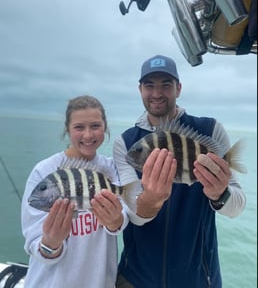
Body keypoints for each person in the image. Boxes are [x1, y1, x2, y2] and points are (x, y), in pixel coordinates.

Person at [114, 55, 246, 288]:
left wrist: (220, 194)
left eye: (166, 84)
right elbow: (130, 214)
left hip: (198, 279)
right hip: (136, 279)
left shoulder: (210, 130)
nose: (157, 93)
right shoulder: (126, 143)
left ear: (179, 88)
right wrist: (151, 201)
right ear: (140, 89)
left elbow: (237, 206)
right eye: (149, 85)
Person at [21, 95, 131, 288]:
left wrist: (115, 221)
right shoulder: (44, 171)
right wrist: (51, 242)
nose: (88, 135)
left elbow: (123, 216)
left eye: (95, 126)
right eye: (79, 127)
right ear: (68, 129)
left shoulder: (111, 169)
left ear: (105, 127)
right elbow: (34, 242)